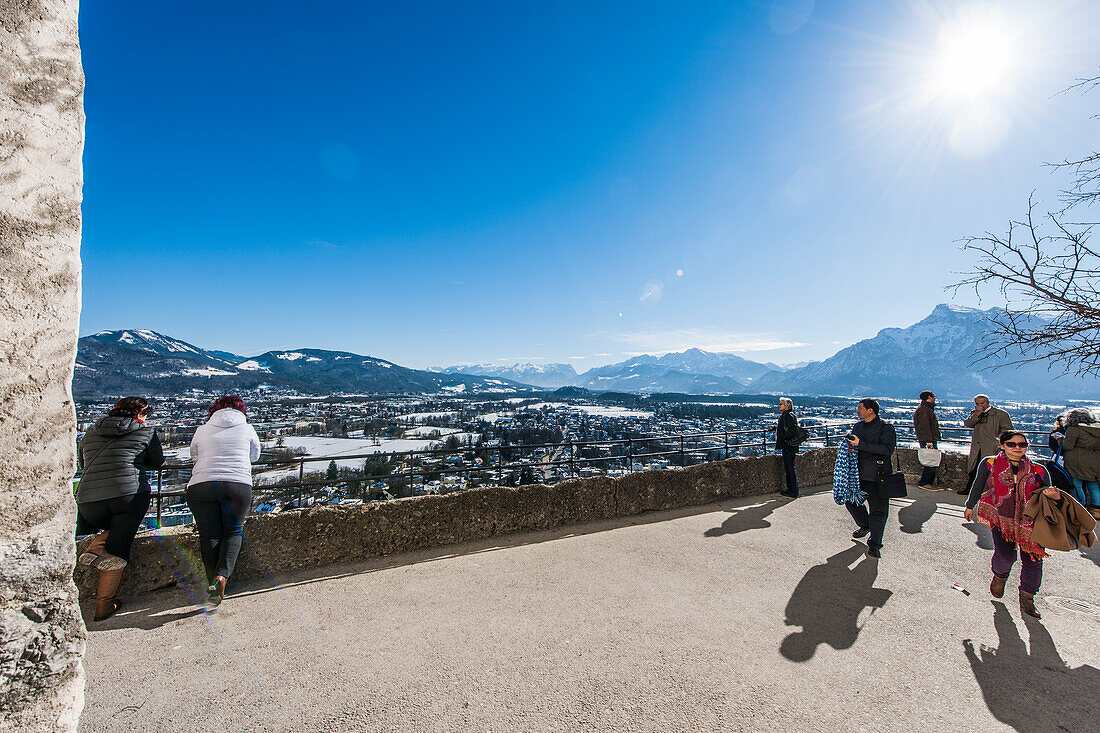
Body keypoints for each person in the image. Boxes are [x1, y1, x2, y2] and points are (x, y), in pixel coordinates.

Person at [76, 396, 164, 621]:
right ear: (140, 415)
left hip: (88, 500)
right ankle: (104, 605)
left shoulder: (91, 432)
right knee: (119, 545)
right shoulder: (145, 432)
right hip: (127, 495)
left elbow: (82, 464)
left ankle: (97, 545)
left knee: (114, 535)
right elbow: (157, 462)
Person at [964, 431, 1058, 619]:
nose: (1017, 448)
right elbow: (978, 484)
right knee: (1005, 555)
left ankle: (1028, 599)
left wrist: (1054, 496)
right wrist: (970, 505)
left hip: (1030, 522)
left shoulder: (1039, 470)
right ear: (1002, 445)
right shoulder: (989, 464)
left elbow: (1047, 497)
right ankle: (1000, 576)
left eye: (1022, 444)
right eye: (1011, 444)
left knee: (1033, 560)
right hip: (1001, 518)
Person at [186, 395, 261, 606]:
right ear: (242, 410)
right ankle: (222, 577)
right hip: (236, 484)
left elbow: (194, 456)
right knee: (233, 531)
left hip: (201, 485)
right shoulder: (247, 428)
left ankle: (213, 581)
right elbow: (254, 456)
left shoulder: (202, 429)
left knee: (209, 534)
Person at [844, 398, 897, 558]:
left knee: (878, 511)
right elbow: (856, 445)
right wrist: (851, 448)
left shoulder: (885, 428)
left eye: (860, 408)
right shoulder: (858, 426)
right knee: (851, 502)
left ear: (870, 410)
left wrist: (860, 444)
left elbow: (887, 449)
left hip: (878, 476)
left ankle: (875, 545)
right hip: (859, 475)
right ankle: (865, 525)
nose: (857, 410)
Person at [961, 395, 1014, 496]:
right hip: (978, 447)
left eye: (982, 403)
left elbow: (1007, 431)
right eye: (977, 404)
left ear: (988, 402)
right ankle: (971, 489)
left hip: (992, 447)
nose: (980, 406)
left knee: (990, 469)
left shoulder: (1000, 414)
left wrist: (998, 441)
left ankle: (989, 491)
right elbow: (968, 423)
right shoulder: (975, 413)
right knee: (974, 469)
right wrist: (977, 414)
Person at [1060, 409, 1100, 519]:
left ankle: (1080, 507)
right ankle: (1096, 509)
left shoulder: (1074, 429)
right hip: (1095, 461)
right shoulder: (1097, 429)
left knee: (1076, 484)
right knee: (1093, 485)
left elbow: (1068, 446)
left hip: (1076, 462)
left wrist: (1060, 440)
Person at [913, 390, 942, 490]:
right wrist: (928, 441)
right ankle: (925, 482)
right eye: (933, 396)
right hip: (928, 439)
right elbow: (925, 426)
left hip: (928, 439)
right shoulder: (924, 410)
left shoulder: (925, 408)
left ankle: (928, 482)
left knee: (931, 460)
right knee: (930, 461)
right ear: (929, 397)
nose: (935, 398)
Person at [775, 397, 800, 498]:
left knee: (790, 468)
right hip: (789, 446)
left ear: (787, 406)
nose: (779, 406)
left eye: (781, 404)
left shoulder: (788, 415)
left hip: (788, 446)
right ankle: (791, 490)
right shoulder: (788, 415)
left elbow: (792, 431)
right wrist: (776, 429)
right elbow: (786, 429)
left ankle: (793, 491)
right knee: (789, 468)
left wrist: (784, 439)